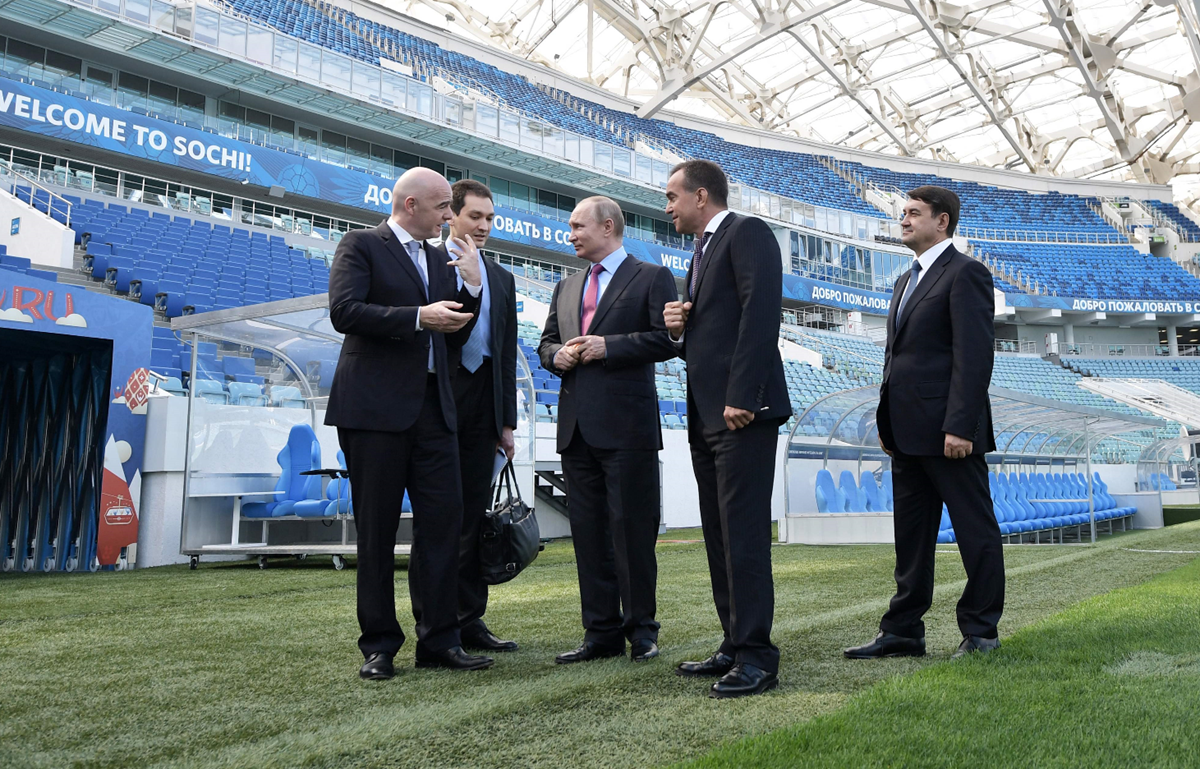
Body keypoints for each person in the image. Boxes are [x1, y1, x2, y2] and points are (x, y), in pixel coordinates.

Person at [326, 167, 494, 680]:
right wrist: (418, 316)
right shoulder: (360, 245)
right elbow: (345, 311)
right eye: (444, 206)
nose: (450, 216)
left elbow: (455, 328)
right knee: (376, 532)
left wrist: (470, 288)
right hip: (374, 411)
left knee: (443, 526)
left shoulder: (442, 257)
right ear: (410, 204)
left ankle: (440, 639)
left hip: (434, 410)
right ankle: (379, 645)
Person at [843, 185, 1003, 662]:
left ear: (943, 222)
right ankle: (903, 631)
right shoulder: (904, 279)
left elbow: (975, 358)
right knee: (911, 538)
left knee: (975, 531)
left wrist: (960, 425)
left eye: (914, 213)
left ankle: (980, 632)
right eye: (903, 213)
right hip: (906, 433)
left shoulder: (967, 273)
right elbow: (899, 358)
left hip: (949, 433)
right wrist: (887, 423)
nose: (904, 220)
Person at [662, 161, 791, 699]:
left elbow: (761, 315)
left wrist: (743, 395)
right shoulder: (700, 251)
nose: (667, 205)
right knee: (718, 532)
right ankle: (734, 643)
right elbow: (716, 328)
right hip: (706, 411)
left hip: (740, 410)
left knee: (742, 534)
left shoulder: (747, 232)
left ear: (702, 194)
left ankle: (758, 656)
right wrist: (678, 329)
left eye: (673, 195)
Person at [538, 196, 679, 665]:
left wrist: (609, 346)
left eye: (578, 226)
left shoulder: (651, 276)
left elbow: (667, 340)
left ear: (609, 226)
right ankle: (599, 632)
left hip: (627, 428)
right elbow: (545, 343)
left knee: (631, 533)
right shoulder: (565, 286)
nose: (571, 234)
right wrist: (555, 357)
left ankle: (642, 631)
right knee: (590, 536)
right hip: (576, 429)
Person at [446, 179, 520, 653]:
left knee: (473, 518)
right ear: (451, 214)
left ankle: (470, 619)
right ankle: (439, 623)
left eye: (490, 218)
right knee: (443, 521)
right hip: (438, 403)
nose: (485, 227)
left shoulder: (503, 277)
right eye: (475, 217)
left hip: (483, 410)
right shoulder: (429, 264)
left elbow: (506, 354)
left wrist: (506, 423)